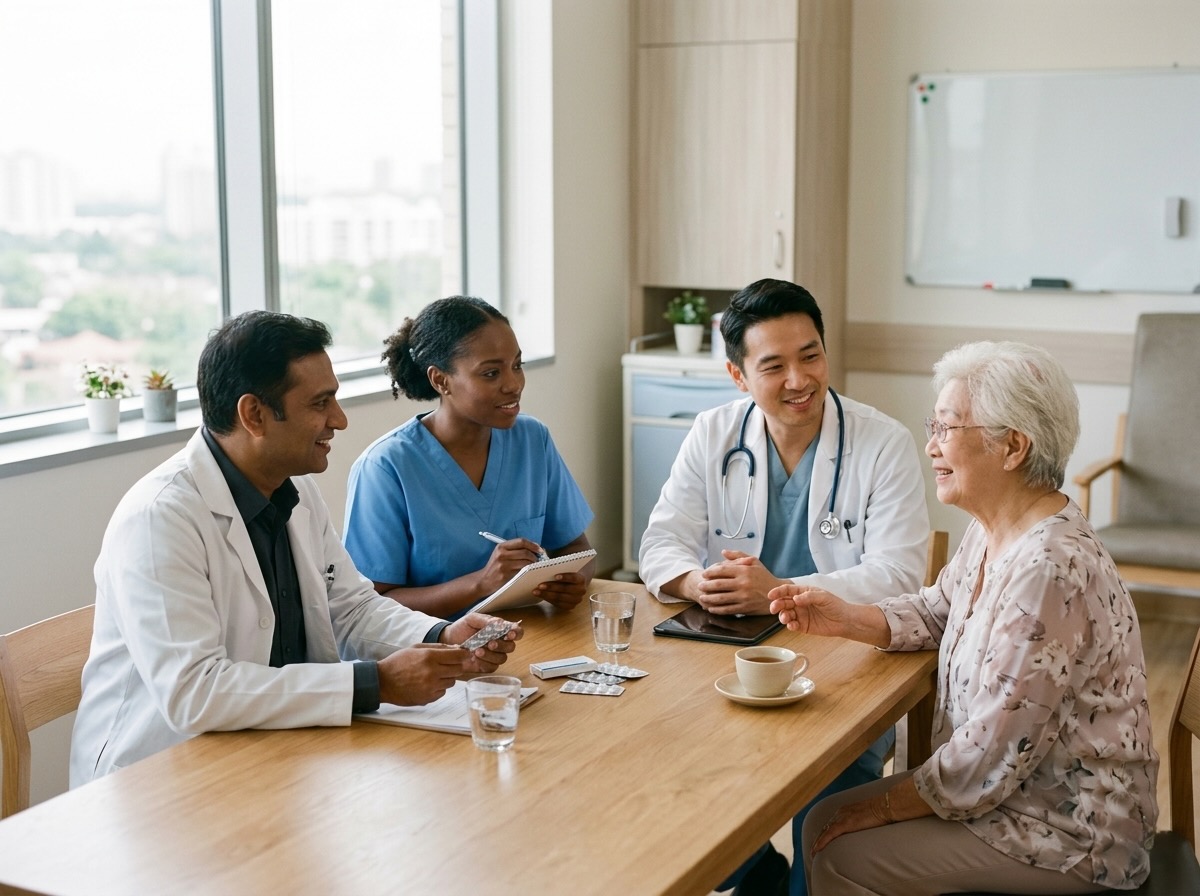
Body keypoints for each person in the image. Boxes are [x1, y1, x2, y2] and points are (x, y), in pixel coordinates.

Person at [70, 311, 521, 786]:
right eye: (320, 403)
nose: (339, 420)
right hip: (160, 779)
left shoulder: (296, 490)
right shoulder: (159, 518)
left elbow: (352, 608)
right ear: (254, 415)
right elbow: (194, 693)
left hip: (280, 751)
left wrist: (442, 638)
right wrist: (377, 682)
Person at [772, 341, 1158, 895]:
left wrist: (883, 807)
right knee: (819, 821)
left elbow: (985, 762)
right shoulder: (996, 528)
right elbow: (938, 610)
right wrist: (845, 618)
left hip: (1072, 831)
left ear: (1013, 448)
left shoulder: (1047, 569)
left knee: (838, 846)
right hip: (1013, 793)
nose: (930, 445)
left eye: (946, 428)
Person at [638, 278, 930, 896]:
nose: (799, 379)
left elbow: (903, 574)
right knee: (679, 801)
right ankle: (758, 877)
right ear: (738, 375)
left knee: (823, 838)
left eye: (812, 355)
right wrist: (697, 581)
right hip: (729, 665)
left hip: (850, 667)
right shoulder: (713, 433)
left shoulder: (883, 443)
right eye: (774, 365)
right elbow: (658, 545)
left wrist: (777, 587)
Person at [343, 296, 595, 621]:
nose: (514, 384)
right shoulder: (385, 467)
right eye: (491, 373)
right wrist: (479, 583)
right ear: (441, 380)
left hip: (527, 636)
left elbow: (576, 549)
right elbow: (371, 607)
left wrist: (575, 582)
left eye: (517, 365)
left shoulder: (532, 439)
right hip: (434, 652)